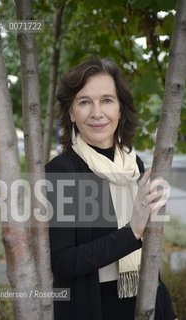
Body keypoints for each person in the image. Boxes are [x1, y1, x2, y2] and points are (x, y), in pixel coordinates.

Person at [45, 58, 177, 320]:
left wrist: (167, 310)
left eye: (107, 100)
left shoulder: (133, 163)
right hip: (97, 307)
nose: (97, 112)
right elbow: (62, 262)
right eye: (84, 102)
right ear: (71, 112)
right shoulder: (64, 170)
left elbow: (148, 252)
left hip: (147, 300)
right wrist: (132, 231)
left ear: (120, 109)